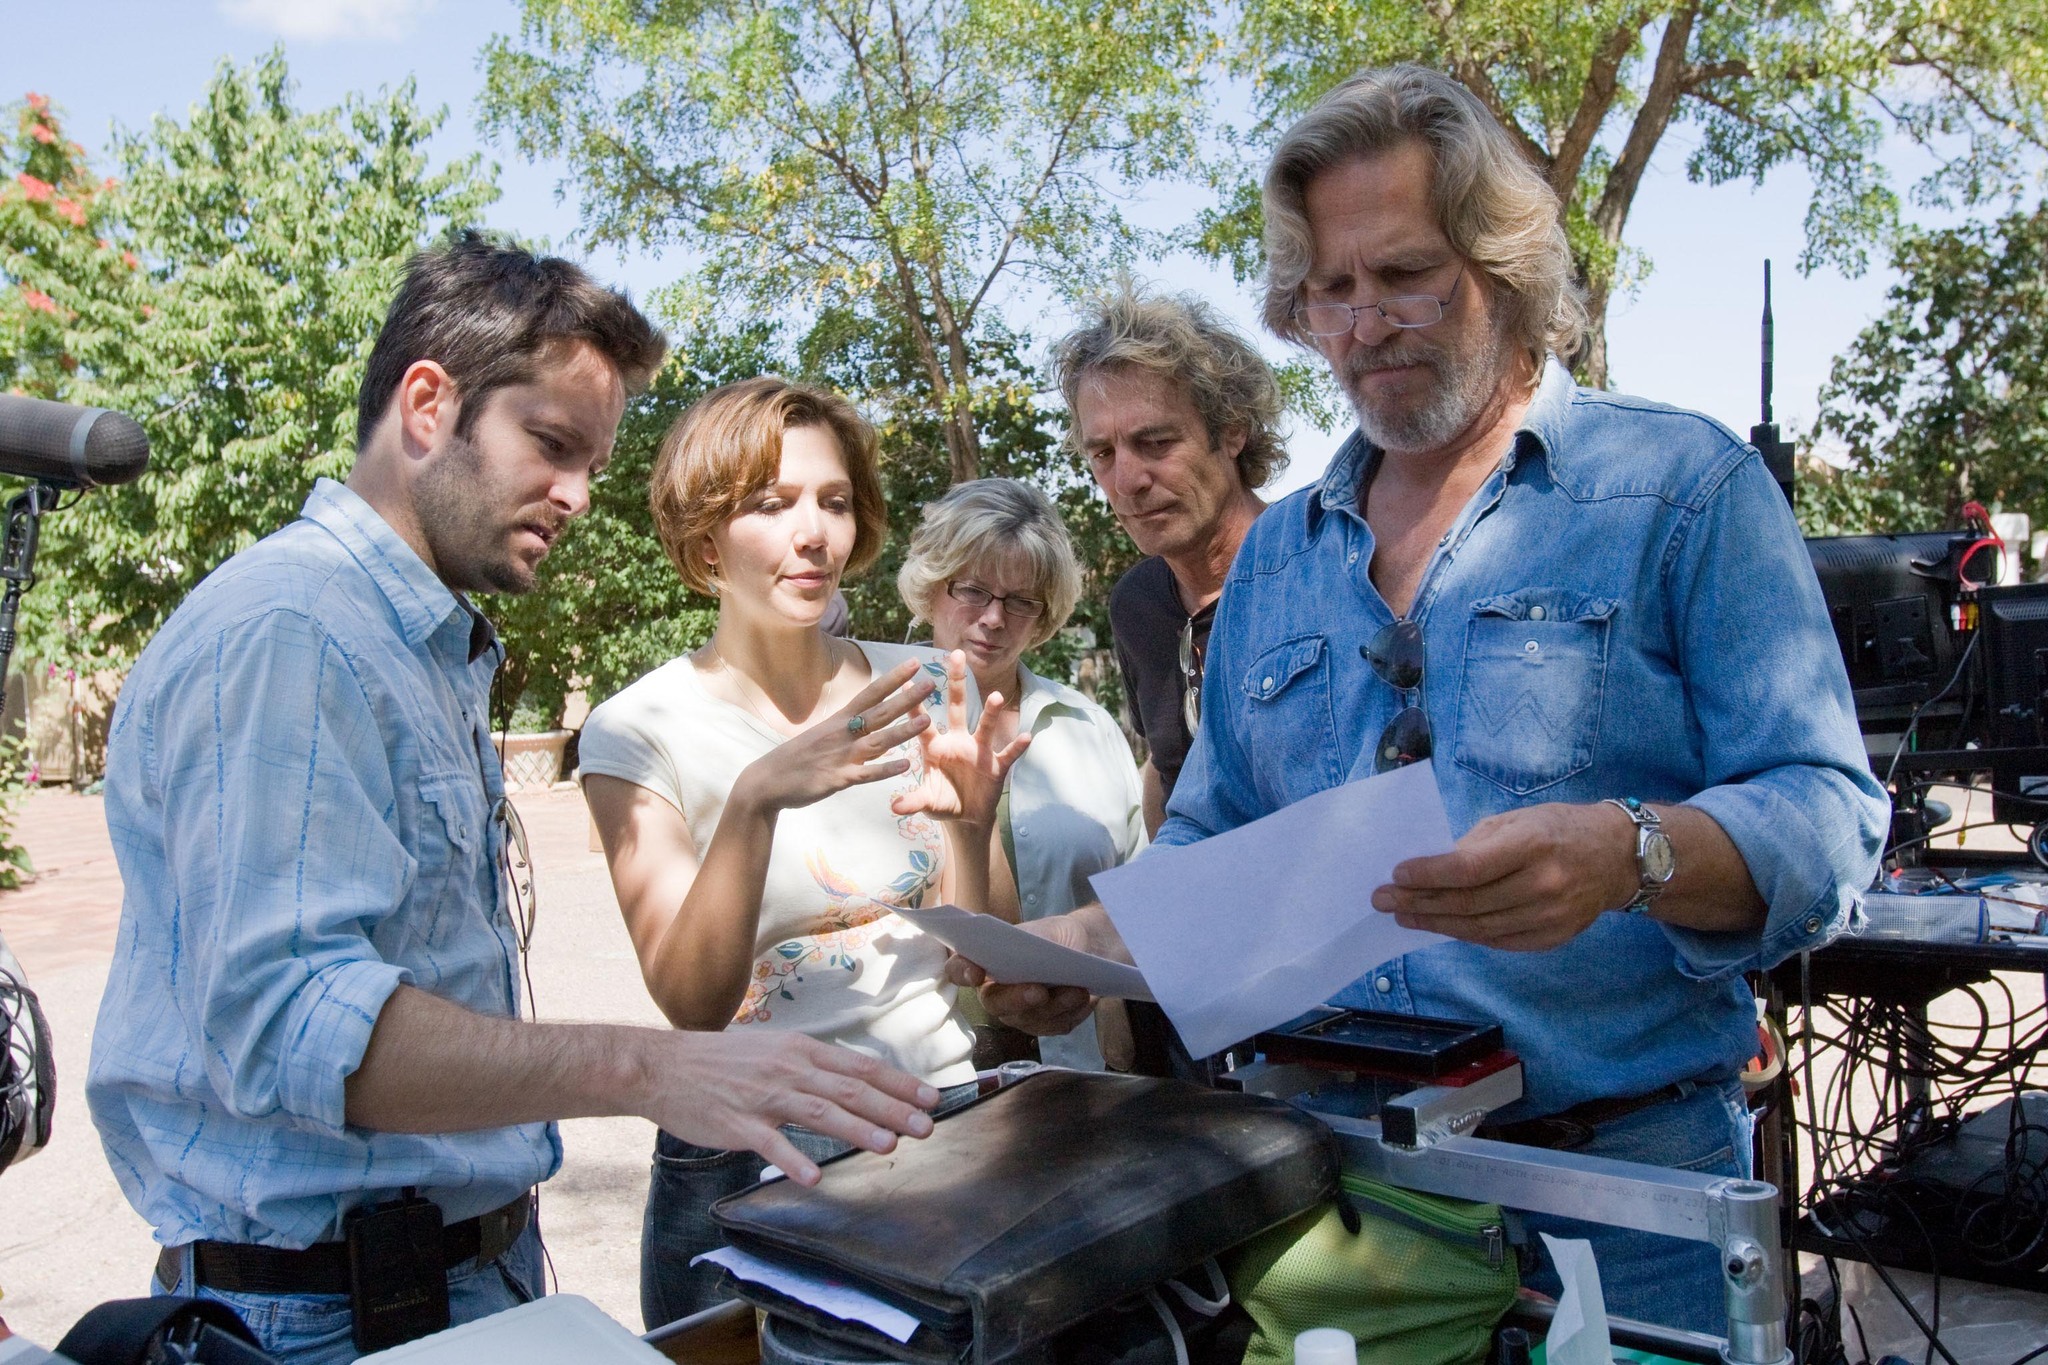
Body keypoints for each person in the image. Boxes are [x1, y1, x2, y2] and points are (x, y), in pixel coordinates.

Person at [955, 65, 1889, 1331]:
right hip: (1339, 1200)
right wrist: (1089, 953)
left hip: (1627, 1193)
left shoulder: (1679, 486)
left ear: (1502, 271)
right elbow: (1210, 844)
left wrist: (1634, 852)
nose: (1362, 322)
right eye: (1329, 290)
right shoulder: (1277, 557)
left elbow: (1826, 815)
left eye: (1402, 275)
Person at [86, 239, 941, 1364]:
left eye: (590, 460)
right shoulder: (294, 632)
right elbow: (293, 1023)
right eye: (551, 445)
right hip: (326, 1316)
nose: (581, 495)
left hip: (451, 1282)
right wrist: (653, 1066)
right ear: (430, 405)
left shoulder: (419, 645)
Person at [577, 378, 1028, 1328]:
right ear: (706, 540)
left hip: (939, 1118)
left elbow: (988, 966)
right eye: (769, 505)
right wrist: (755, 801)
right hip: (750, 1151)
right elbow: (689, 1003)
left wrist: (975, 822)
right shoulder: (638, 729)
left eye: (831, 500)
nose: (812, 532)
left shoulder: (923, 684)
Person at [897, 478, 1148, 1070]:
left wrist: (1114, 1016)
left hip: (1078, 1064)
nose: (993, 618)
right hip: (922, 1072)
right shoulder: (875, 723)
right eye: (973, 590)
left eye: (1020, 600)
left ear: (1044, 616)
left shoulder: (1086, 726)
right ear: (932, 586)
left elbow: (1137, 892)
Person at [1052, 291, 1289, 835]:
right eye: (1102, 455)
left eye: (1156, 442)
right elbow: (1168, 775)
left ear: (1232, 430)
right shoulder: (1137, 606)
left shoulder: (1324, 565)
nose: (1127, 482)